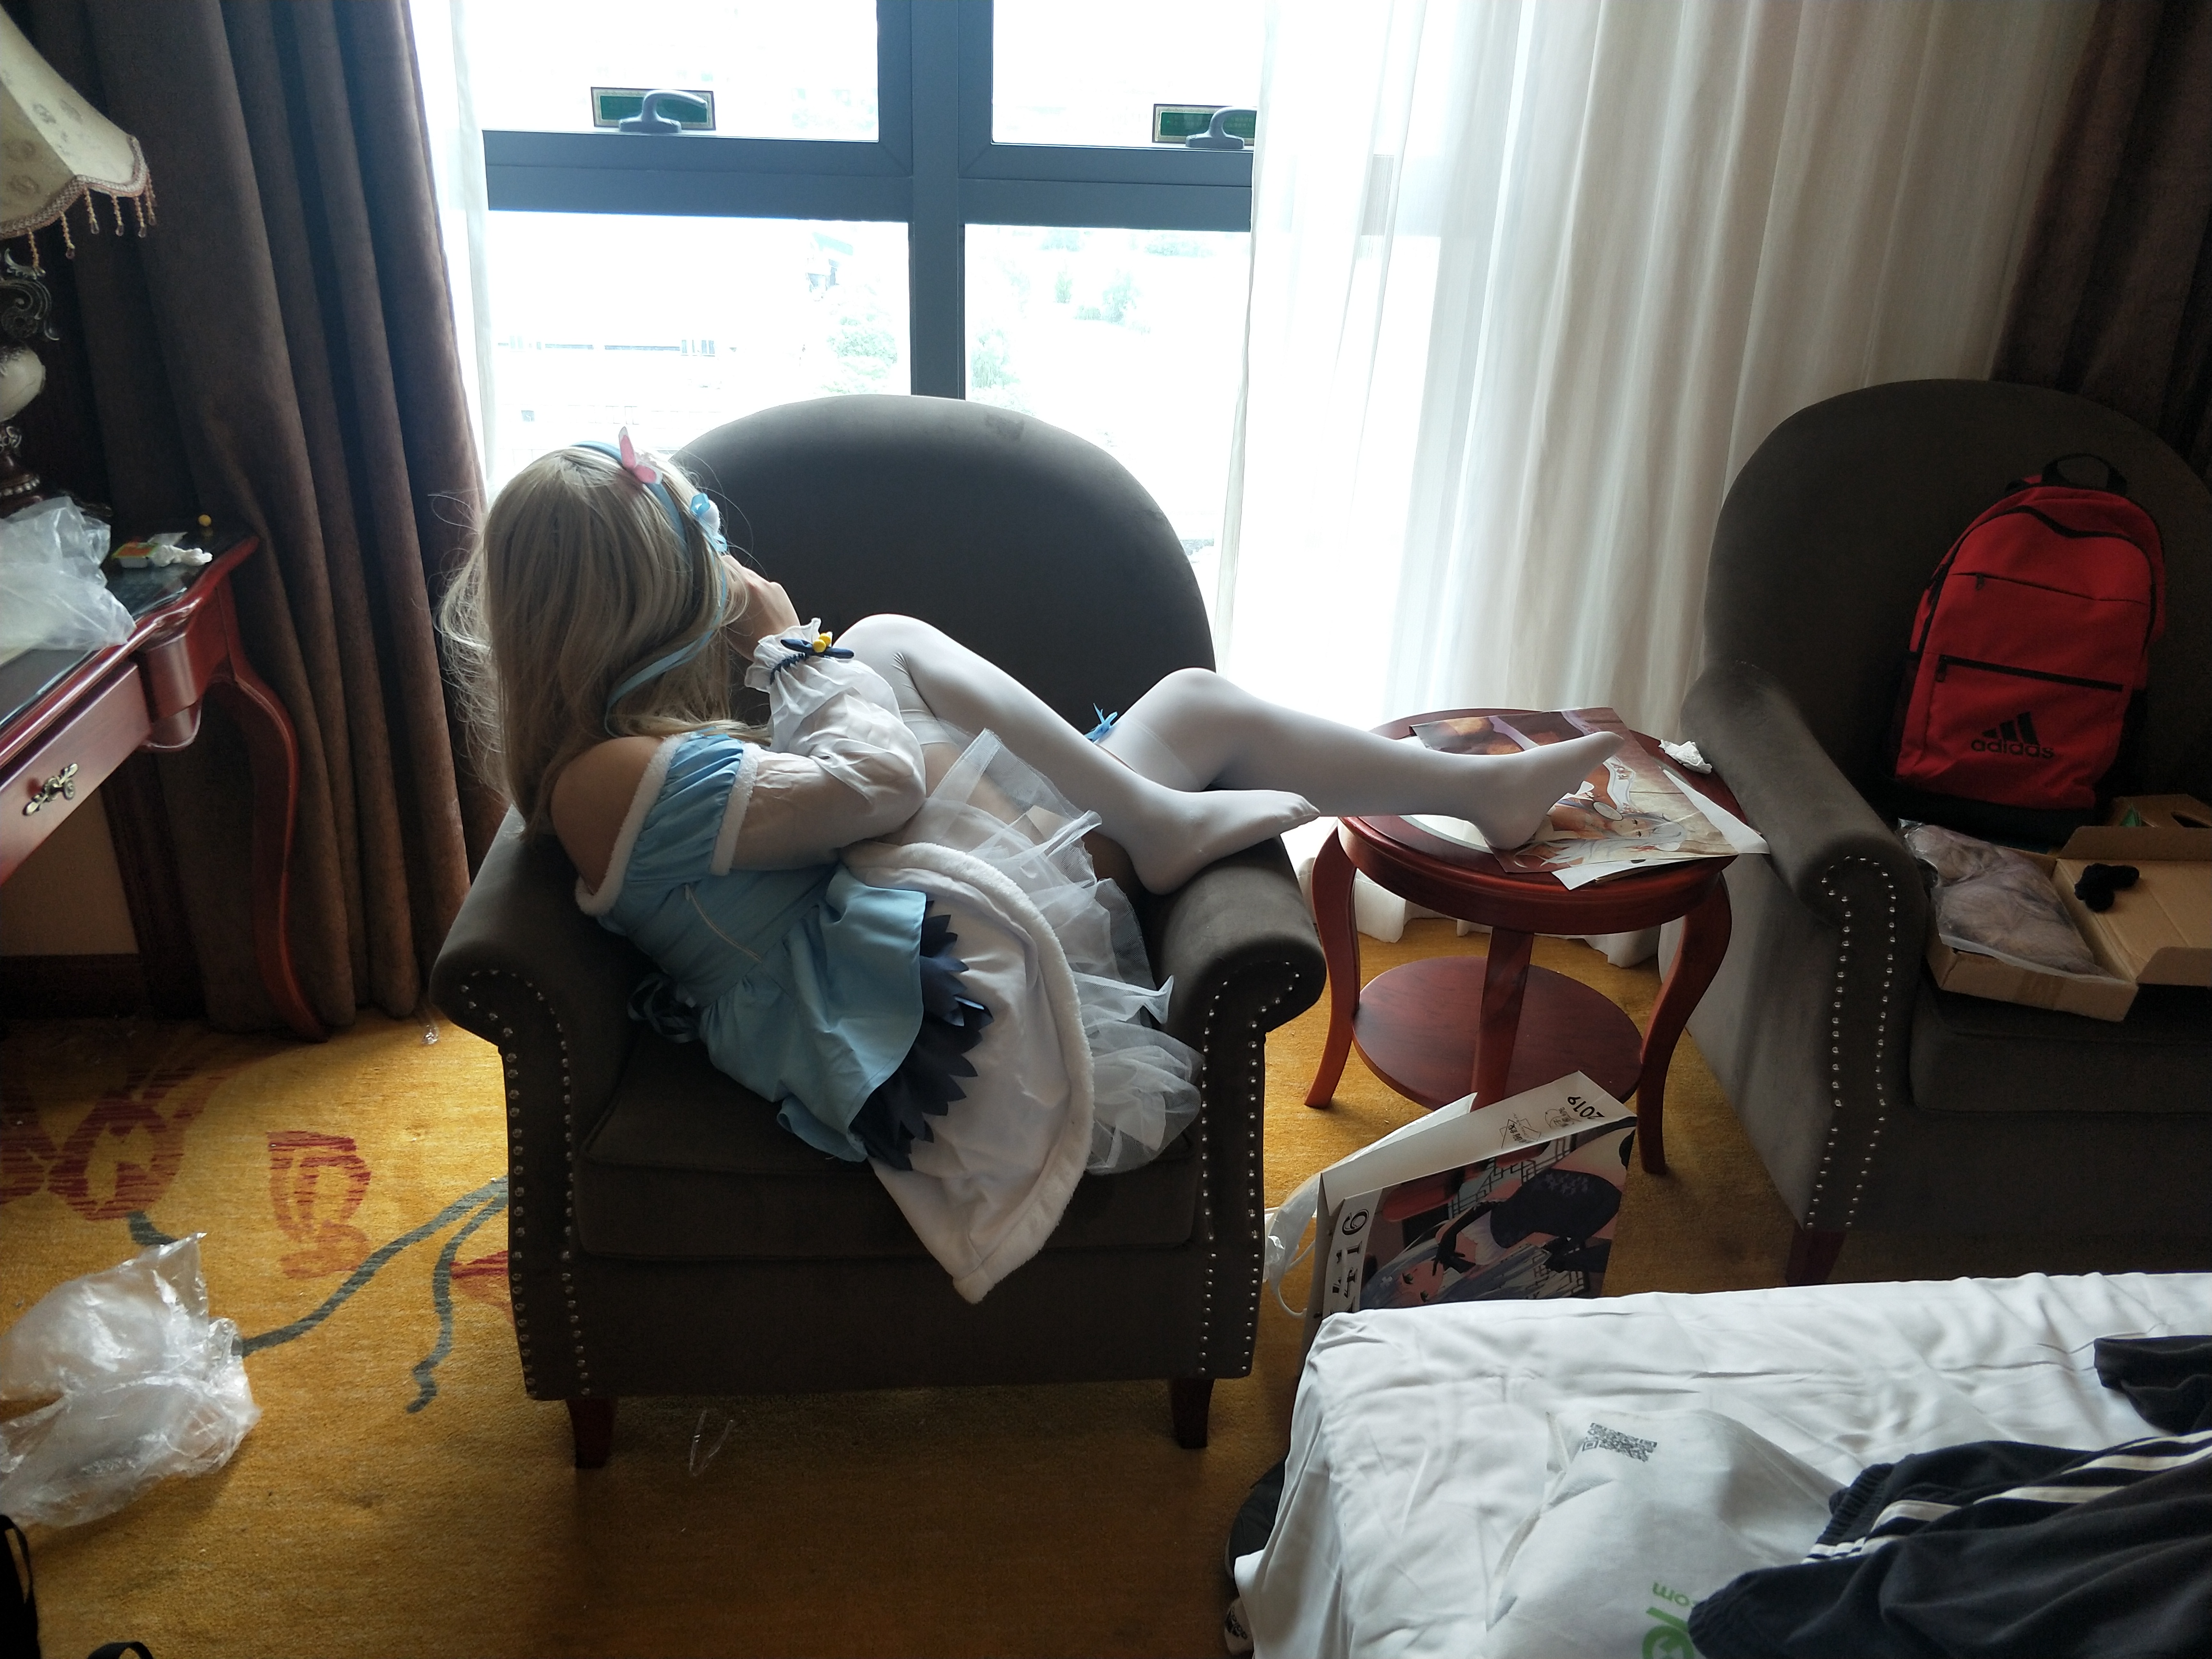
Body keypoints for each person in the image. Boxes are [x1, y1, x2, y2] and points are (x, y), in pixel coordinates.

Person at [440, 435, 1618, 1299]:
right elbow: (877, 785)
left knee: (1192, 702)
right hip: (891, 989)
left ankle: (1473, 794)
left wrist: (815, 671)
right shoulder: (610, 780)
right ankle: (1155, 821)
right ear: (640, 613)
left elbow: (855, 794)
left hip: (883, 906)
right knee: (880, 645)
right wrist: (797, 646)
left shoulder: (611, 756)